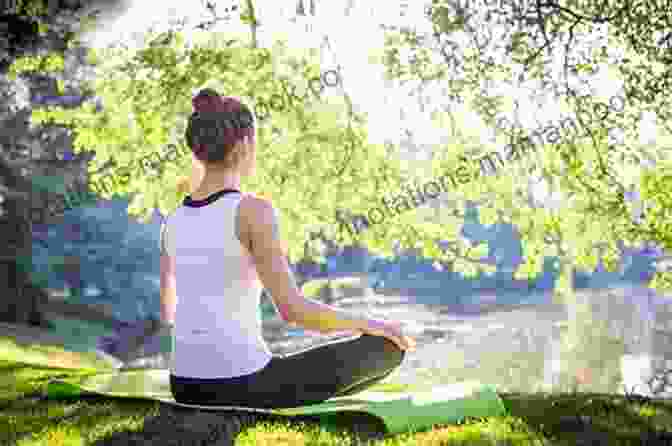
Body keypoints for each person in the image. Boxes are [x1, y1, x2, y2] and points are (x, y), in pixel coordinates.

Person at [158, 88, 416, 409]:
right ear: (244, 145)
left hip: (183, 385)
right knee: (386, 348)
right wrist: (373, 324)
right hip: (242, 385)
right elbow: (293, 310)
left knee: (291, 363)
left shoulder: (173, 221)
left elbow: (168, 312)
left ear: (198, 150)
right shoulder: (253, 210)